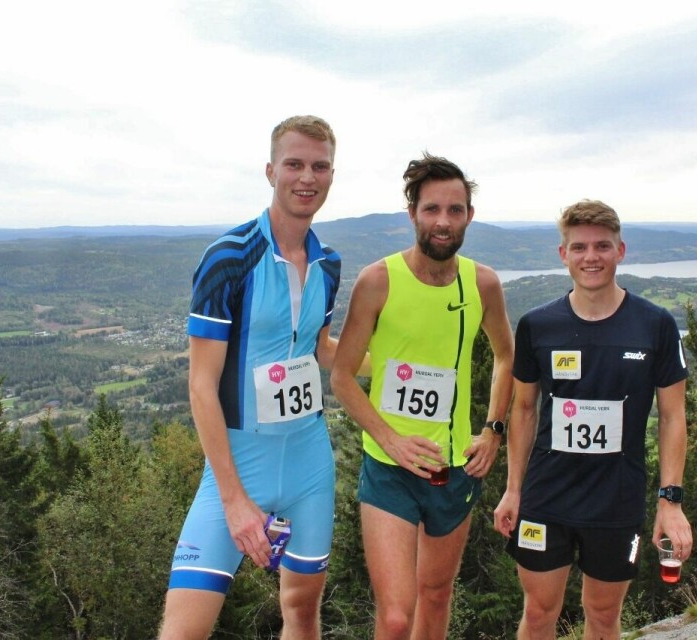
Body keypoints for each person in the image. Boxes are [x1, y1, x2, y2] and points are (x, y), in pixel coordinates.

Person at [159, 115, 355, 640]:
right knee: (184, 630)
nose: (307, 177)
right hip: (238, 465)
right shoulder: (229, 257)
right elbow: (201, 386)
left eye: (319, 166)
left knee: (303, 614)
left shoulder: (329, 263)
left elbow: (319, 350)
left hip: (310, 464)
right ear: (271, 171)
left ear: (332, 175)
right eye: (295, 164)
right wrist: (233, 500)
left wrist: (388, 359)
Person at [330, 153, 514, 640]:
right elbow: (342, 377)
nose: (443, 221)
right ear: (412, 213)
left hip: (454, 468)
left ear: (469, 216)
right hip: (389, 467)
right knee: (395, 617)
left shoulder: (483, 283)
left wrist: (494, 431)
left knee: (435, 595)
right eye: (432, 209)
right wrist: (390, 440)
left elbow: (506, 356)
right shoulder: (378, 281)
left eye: (455, 210)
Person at [493, 199, 693, 640]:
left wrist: (670, 501)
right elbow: (523, 409)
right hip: (547, 496)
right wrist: (513, 489)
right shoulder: (537, 325)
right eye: (579, 247)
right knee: (539, 612)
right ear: (563, 254)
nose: (591, 257)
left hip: (616, 500)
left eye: (602, 246)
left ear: (620, 251)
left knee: (602, 616)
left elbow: (672, 416)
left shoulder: (655, 324)